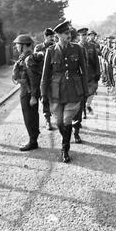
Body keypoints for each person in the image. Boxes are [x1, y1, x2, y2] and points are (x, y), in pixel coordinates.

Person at [40, 20, 89, 162]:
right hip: (55, 91)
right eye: (66, 33)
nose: (69, 35)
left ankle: (65, 148)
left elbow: (84, 72)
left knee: (67, 119)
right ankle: (65, 138)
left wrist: (85, 91)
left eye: (69, 32)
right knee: (59, 122)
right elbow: (45, 75)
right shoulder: (50, 51)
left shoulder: (77, 49)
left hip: (74, 89)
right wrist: (43, 94)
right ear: (59, 35)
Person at [12, 34, 41, 151]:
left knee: (30, 117)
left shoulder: (29, 59)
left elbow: (33, 80)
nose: (16, 47)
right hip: (25, 90)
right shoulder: (23, 57)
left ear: (24, 46)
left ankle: (33, 141)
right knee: (29, 116)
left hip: (28, 92)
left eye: (18, 45)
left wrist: (33, 96)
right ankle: (33, 139)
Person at [34, 28, 56, 130]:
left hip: (54, 77)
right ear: (45, 37)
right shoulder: (38, 48)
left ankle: (59, 118)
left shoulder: (56, 47)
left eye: (53, 37)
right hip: (42, 77)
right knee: (45, 99)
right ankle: (48, 120)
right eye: (50, 37)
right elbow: (35, 62)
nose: (52, 39)